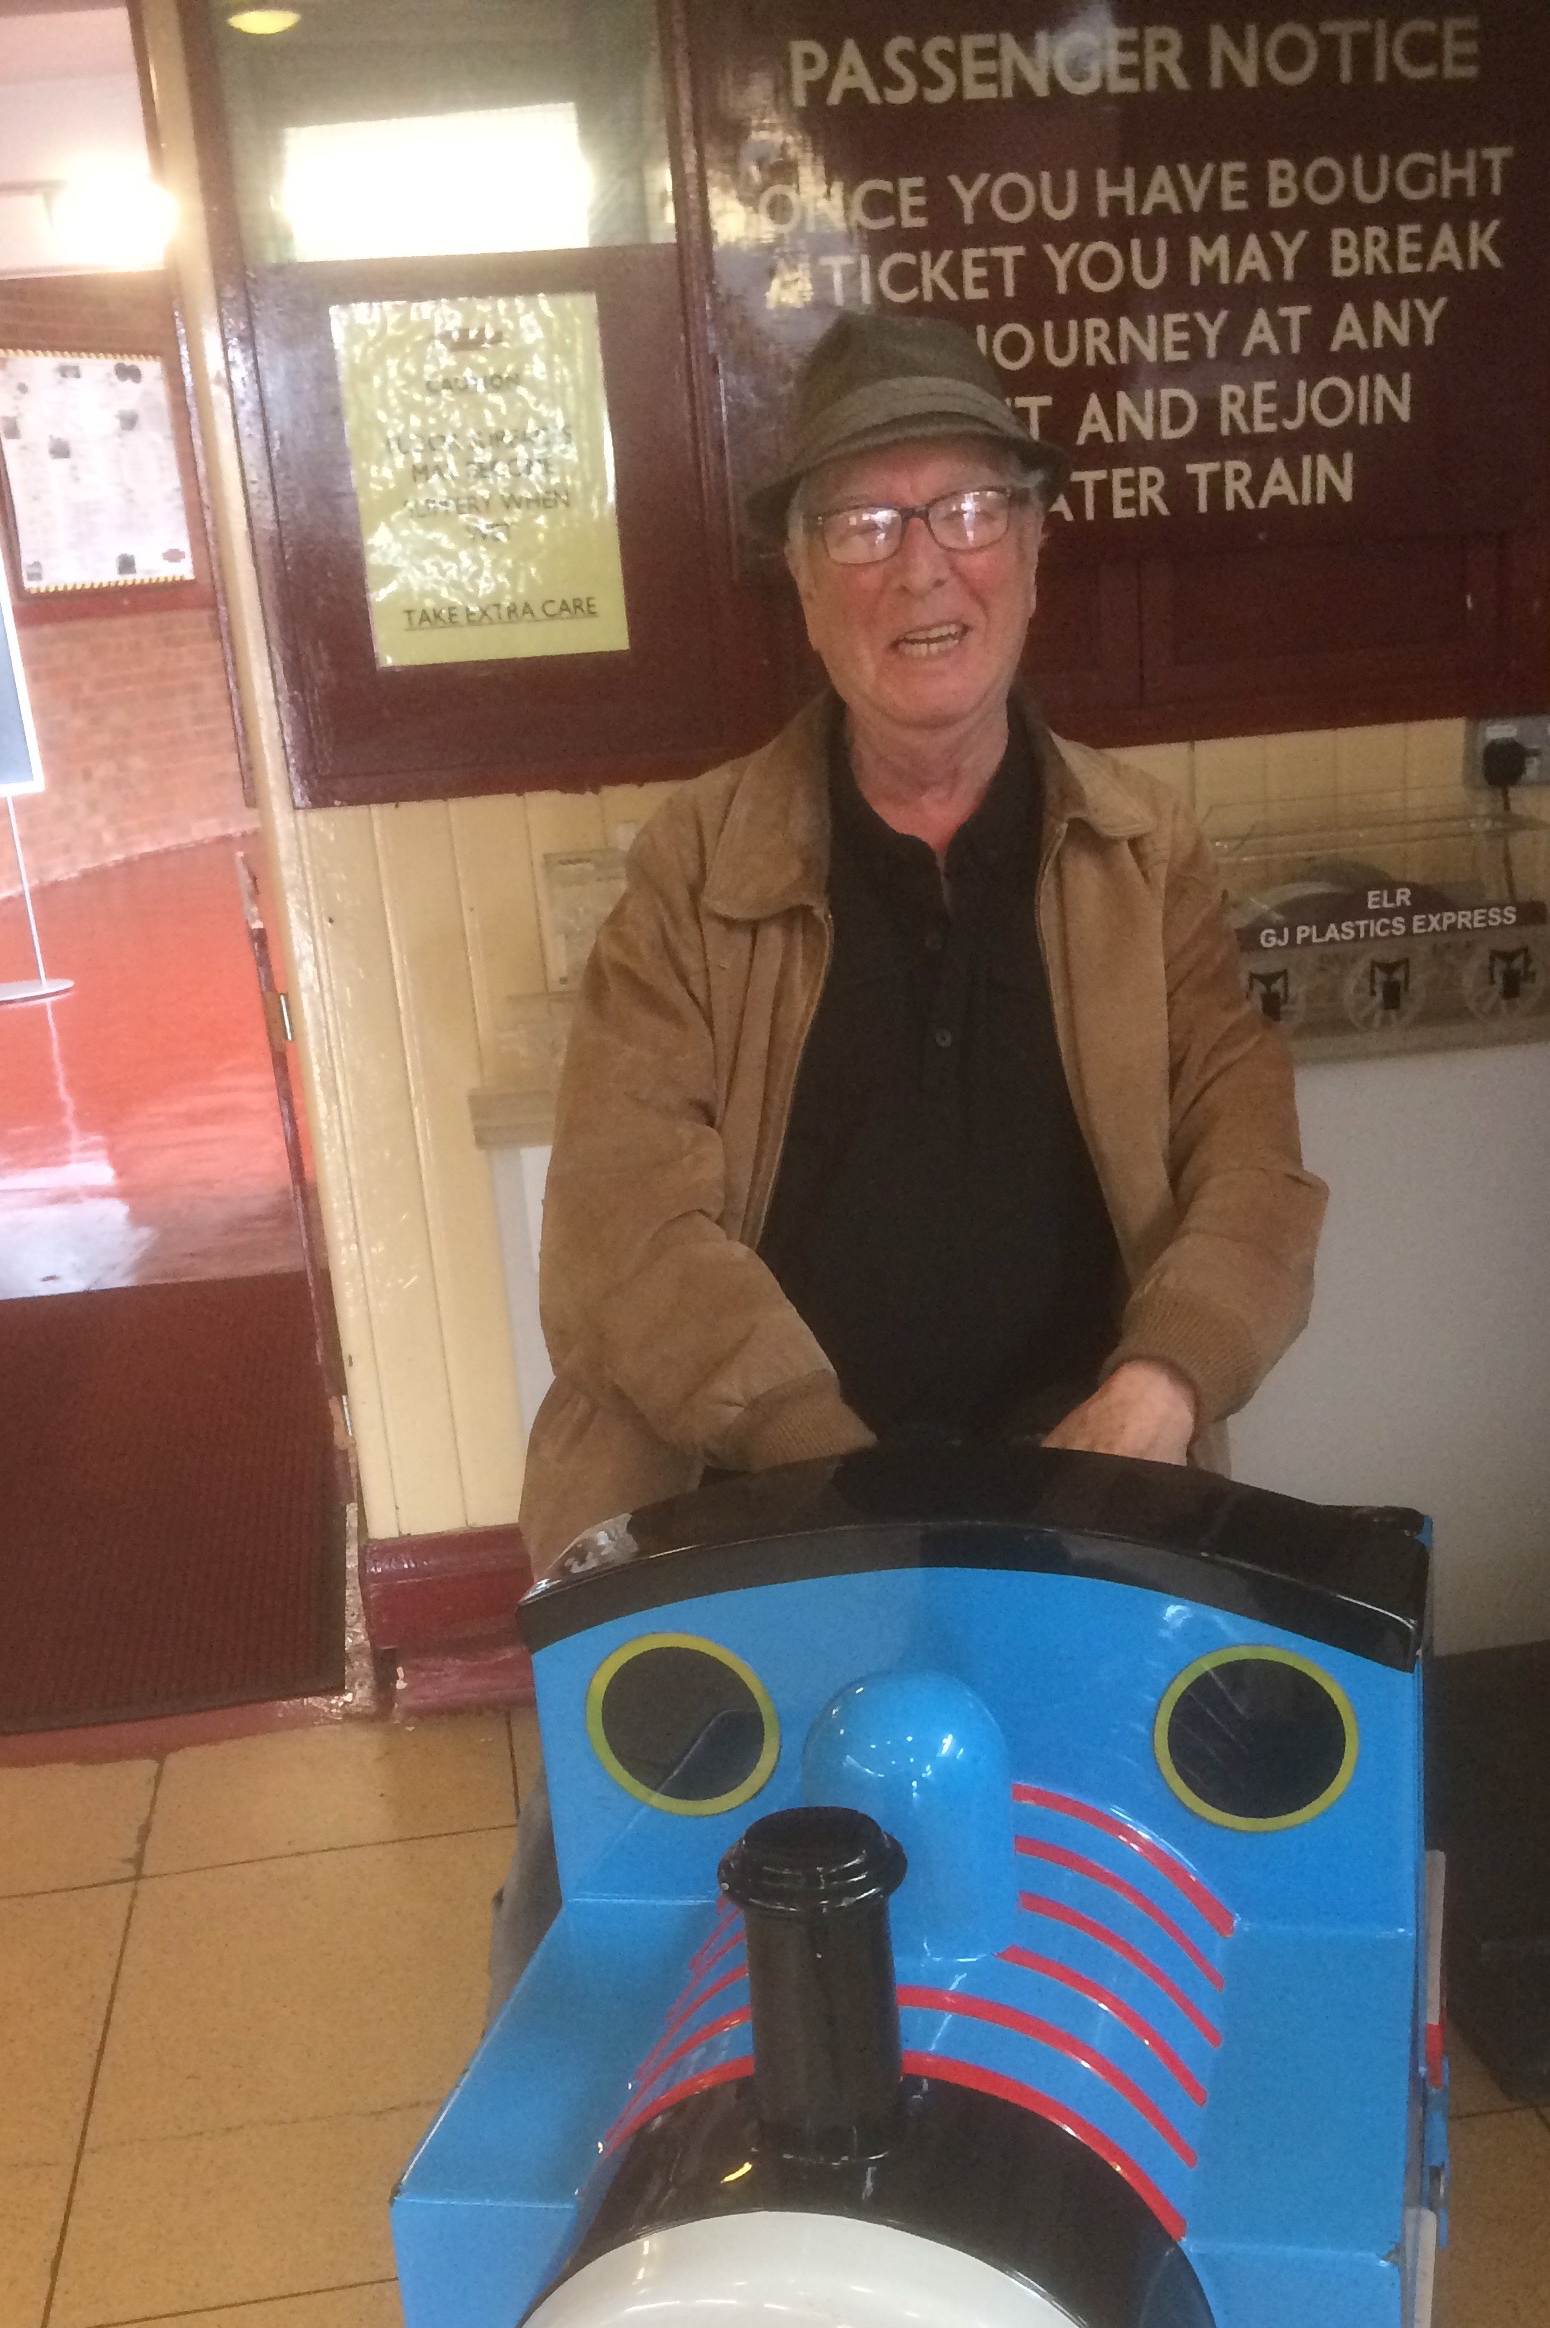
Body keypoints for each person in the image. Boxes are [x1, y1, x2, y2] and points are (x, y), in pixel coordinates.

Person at [488, 308, 1327, 2011]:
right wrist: (846, 1496)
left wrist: (1158, 1392)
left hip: (1077, 1516)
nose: (922, 566)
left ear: (1034, 546)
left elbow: (1249, 1164)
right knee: (616, 1986)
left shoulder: (1145, 851)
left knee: (1140, 1965)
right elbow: (621, 1232)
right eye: (865, 522)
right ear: (804, 582)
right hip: (748, 1519)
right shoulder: (691, 868)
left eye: (966, 509)